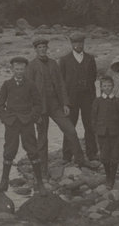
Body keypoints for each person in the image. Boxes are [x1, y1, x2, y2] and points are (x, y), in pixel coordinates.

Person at [26, 36, 86, 176]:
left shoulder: (53, 63)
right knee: (42, 138)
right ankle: (43, 170)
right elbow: (28, 90)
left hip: (55, 105)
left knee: (70, 130)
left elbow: (61, 84)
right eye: (39, 48)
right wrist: (34, 112)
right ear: (35, 50)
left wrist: (65, 103)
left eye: (44, 47)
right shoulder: (31, 66)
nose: (42, 50)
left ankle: (80, 160)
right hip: (40, 107)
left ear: (47, 49)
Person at [0, 56, 47, 195]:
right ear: (12, 69)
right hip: (11, 123)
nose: (19, 72)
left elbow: (38, 104)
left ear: (25, 69)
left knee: (32, 150)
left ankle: (39, 183)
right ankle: (3, 182)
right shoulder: (7, 84)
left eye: (22, 69)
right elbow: (0, 105)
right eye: (17, 69)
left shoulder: (31, 85)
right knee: (9, 151)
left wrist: (32, 118)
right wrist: (5, 119)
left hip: (26, 122)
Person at [59, 31, 98, 163]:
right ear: (71, 44)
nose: (78, 45)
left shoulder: (90, 59)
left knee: (90, 125)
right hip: (71, 98)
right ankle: (67, 155)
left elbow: (93, 77)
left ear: (84, 43)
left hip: (88, 97)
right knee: (70, 126)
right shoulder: (64, 60)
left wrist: (94, 98)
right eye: (75, 43)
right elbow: (61, 82)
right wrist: (64, 101)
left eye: (80, 42)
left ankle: (92, 153)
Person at [90, 74, 119, 188]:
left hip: (115, 133)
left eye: (109, 85)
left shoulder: (117, 101)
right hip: (102, 133)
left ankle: (113, 177)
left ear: (113, 87)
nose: (107, 88)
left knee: (115, 156)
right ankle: (108, 176)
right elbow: (93, 117)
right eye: (105, 86)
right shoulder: (97, 101)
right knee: (105, 156)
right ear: (101, 87)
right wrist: (95, 130)